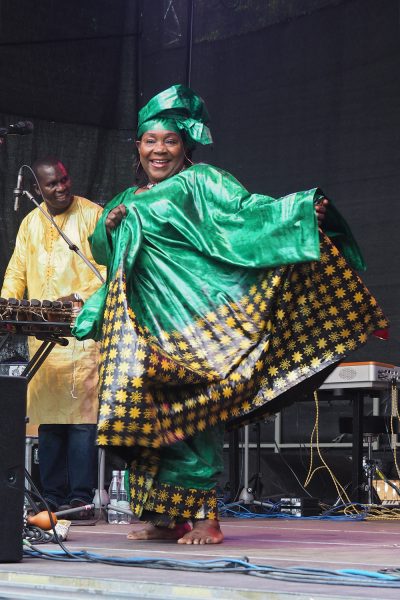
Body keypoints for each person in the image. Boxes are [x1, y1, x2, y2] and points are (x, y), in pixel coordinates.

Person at [73, 85, 387, 542]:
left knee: (193, 412)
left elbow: (245, 213)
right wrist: (109, 224)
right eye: (150, 141)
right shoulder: (127, 193)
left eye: (170, 141)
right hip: (144, 324)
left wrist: (296, 214)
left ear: (185, 146)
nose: (159, 150)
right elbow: (105, 252)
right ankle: (166, 516)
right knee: (151, 418)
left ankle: (207, 519)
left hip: (194, 319)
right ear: (137, 146)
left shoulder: (204, 182)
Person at [1, 157, 105, 517]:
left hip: (81, 334)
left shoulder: (92, 215)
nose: (61, 188)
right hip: (43, 337)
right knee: (48, 421)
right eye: (52, 184)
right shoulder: (31, 222)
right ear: (37, 190)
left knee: (80, 421)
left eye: (64, 179)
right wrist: (9, 304)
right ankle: (53, 496)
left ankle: (81, 498)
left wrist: (76, 298)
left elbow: (106, 269)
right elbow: (17, 269)